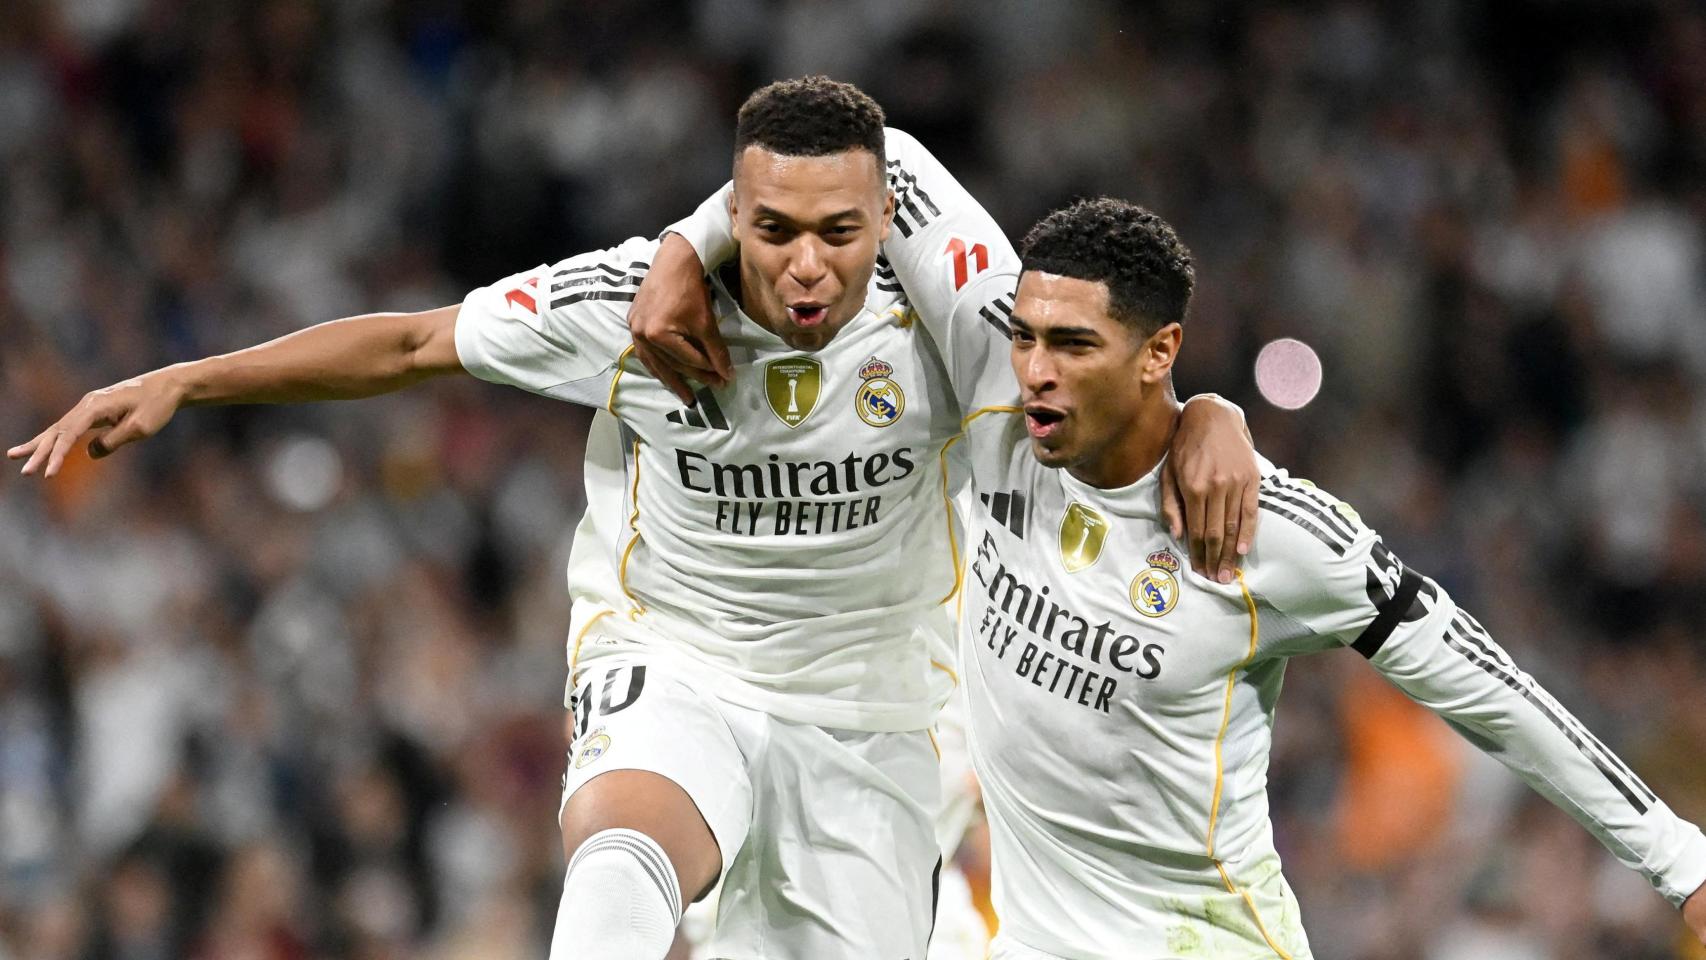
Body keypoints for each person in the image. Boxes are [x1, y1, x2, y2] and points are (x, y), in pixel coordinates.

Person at [9, 77, 1258, 959]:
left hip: (876, 719)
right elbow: (413, 343)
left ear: (884, 226)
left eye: (838, 234)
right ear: (734, 217)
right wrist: (189, 380)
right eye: (770, 230)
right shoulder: (630, 311)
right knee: (621, 856)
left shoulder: (949, 326)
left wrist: (1209, 415)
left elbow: (1102, 391)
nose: (806, 265)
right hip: (678, 657)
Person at [643, 142, 1706, 960]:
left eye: (1073, 346)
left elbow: (1492, 691)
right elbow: (872, 152)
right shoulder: (991, 374)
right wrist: (691, 246)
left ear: (1158, 354)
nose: (1034, 370)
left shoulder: (1269, 536)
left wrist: (1678, 862)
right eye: (1026, 335)